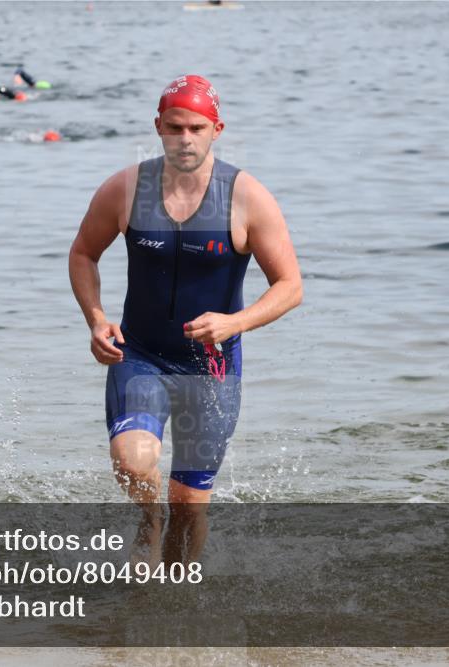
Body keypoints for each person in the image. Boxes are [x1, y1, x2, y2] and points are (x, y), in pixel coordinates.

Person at [68, 74, 302, 566]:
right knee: (134, 462)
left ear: (217, 128)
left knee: (189, 503)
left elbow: (290, 286)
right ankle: (146, 520)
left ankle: (176, 600)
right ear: (158, 126)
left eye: (197, 128)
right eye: (174, 128)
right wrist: (96, 319)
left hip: (210, 367)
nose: (185, 139)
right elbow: (84, 254)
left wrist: (235, 323)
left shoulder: (245, 196)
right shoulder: (125, 189)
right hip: (140, 355)